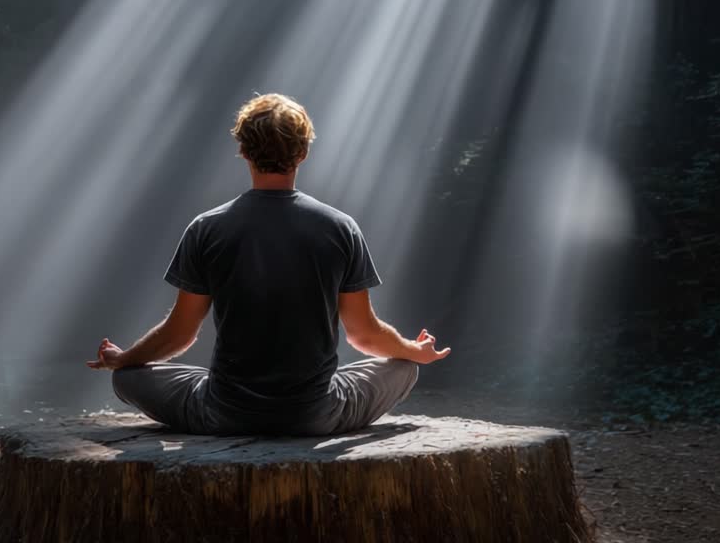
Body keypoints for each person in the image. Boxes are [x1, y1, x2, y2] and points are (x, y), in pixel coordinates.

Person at [86, 93, 451, 435]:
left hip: (224, 414)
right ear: (304, 152)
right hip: (316, 416)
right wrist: (412, 349)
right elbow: (363, 335)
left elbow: (180, 335)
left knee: (126, 378)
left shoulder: (207, 228)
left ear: (243, 150)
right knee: (405, 367)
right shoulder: (340, 228)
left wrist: (123, 359)